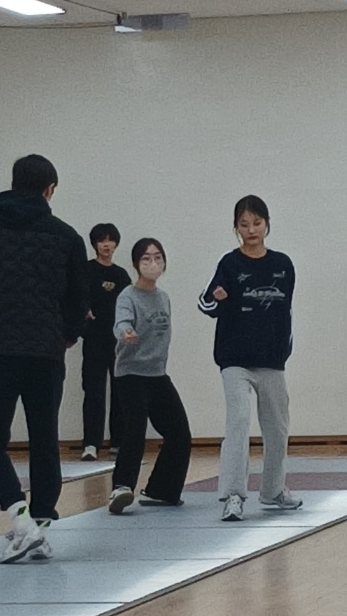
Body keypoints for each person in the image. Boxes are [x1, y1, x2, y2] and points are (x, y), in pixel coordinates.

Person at [0, 154, 86, 563]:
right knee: (45, 440)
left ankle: (22, 521)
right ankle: (37, 524)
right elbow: (79, 299)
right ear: (49, 190)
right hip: (46, 353)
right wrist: (68, 334)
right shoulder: (66, 236)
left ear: (13, 183)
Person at [198, 194, 301, 522]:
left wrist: (282, 351)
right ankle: (232, 495)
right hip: (235, 359)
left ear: (267, 224)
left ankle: (273, 490)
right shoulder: (229, 263)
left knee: (277, 428)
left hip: (271, 360)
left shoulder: (283, 264)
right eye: (244, 224)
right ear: (236, 228)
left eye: (257, 223)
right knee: (239, 422)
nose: (251, 229)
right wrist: (217, 298)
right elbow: (205, 303)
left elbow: (285, 313)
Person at [108, 238, 191, 513]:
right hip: (130, 373)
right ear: (136, 264)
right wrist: (125, 332)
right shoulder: (128, 296)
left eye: (157, 257)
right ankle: (121, 487)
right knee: (135, 430)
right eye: (146, 258)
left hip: (157, 374)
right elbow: (120, 322)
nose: (152, 263)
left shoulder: (163, 297)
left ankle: (161, 491)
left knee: (179, 432)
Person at [80, 224, 131, 461]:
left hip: (118, 340)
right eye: (101, 241)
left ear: (116, 244)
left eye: (110, 240)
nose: (106, 245)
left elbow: (130, 304)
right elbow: (76, 296)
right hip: (93, 339)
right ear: (95, 244)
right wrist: (83, 310)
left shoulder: (121, 275)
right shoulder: (86, 269)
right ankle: (91, 443)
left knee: (120, 391)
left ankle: (118, 441)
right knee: (94, 391)